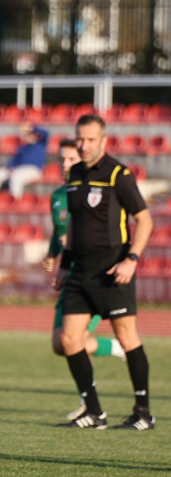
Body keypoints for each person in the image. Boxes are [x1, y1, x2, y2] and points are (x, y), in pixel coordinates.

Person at [55, 114, 154, 430]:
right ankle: (94, 412)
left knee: (127, 338)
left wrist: (132, 259)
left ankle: (143, 412)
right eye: (79, 139)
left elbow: (145, 220)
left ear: (104, 141)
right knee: (69, 339)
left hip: (113, 268)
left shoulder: (118, 174)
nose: (83, 145)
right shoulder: (74, 174)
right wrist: (64, 264)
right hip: (80, 269)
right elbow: (74, 223)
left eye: (90, 140)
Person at [41, 138, 125, 419]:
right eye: (61, 160)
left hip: (92, 276)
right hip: (70, 275)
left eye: (71, 160)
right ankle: (113, 347)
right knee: (59, 343)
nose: (65, 165)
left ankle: (90, 406)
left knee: (72, 340)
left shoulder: (95, 192)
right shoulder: (57, 196)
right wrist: (53, 255)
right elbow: (59, 232)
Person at [0, 122, 49, 199]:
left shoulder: (40, 144)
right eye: (27, 134)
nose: (28, 136)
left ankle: (15, 200)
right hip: (18, 169)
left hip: (33, 169)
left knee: (16, 176)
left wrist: (32, 128)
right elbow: (14, 160)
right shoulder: (23, 147)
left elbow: (46, 133)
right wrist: (10, 167)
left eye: (30, 134)